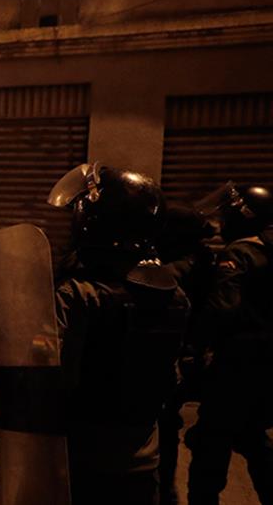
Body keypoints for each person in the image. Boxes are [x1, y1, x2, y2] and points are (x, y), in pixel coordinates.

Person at [48, 164, 187, 504]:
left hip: (83, 459)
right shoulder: (175, 295)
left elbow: (54, 379)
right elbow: (170, 377)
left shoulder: (80, 294)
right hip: (144, 458)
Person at [186, 184, 273, 505]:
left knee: (212, 442)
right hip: (266, 364)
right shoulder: (267, 247)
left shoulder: (239, 253)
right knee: (252, 434)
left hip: (238, 365)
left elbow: (223, 309)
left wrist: (196, 346)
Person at [154, 204, 216, 505]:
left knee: (163, 424)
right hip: (186, 354)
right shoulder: (202, 260)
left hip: (175, 356)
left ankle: (164, 491)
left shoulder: (177, 269)